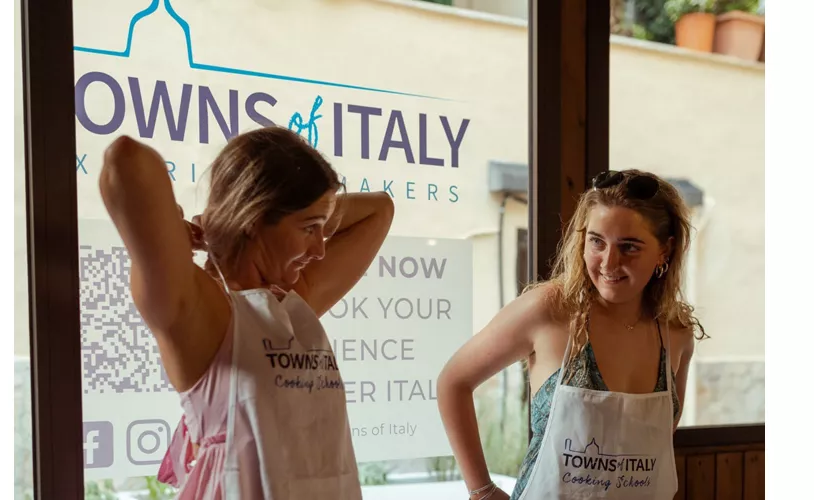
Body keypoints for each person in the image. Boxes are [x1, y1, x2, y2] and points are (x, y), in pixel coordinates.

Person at [99, 126, 394, 499]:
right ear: (254, 218)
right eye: (310, 228)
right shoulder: (200, 312)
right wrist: (193, 224)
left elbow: (381, 208)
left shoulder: (291, 303)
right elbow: (125, 161)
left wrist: (309, 211)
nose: (320, 249)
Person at [437, 170, 706, 500]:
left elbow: (655, 444)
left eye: (629, 247)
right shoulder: (548, 310)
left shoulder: (676, 332)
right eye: (596, 241)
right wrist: (482, 490)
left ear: (665, 251)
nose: (609, 262)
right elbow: (453, 381)